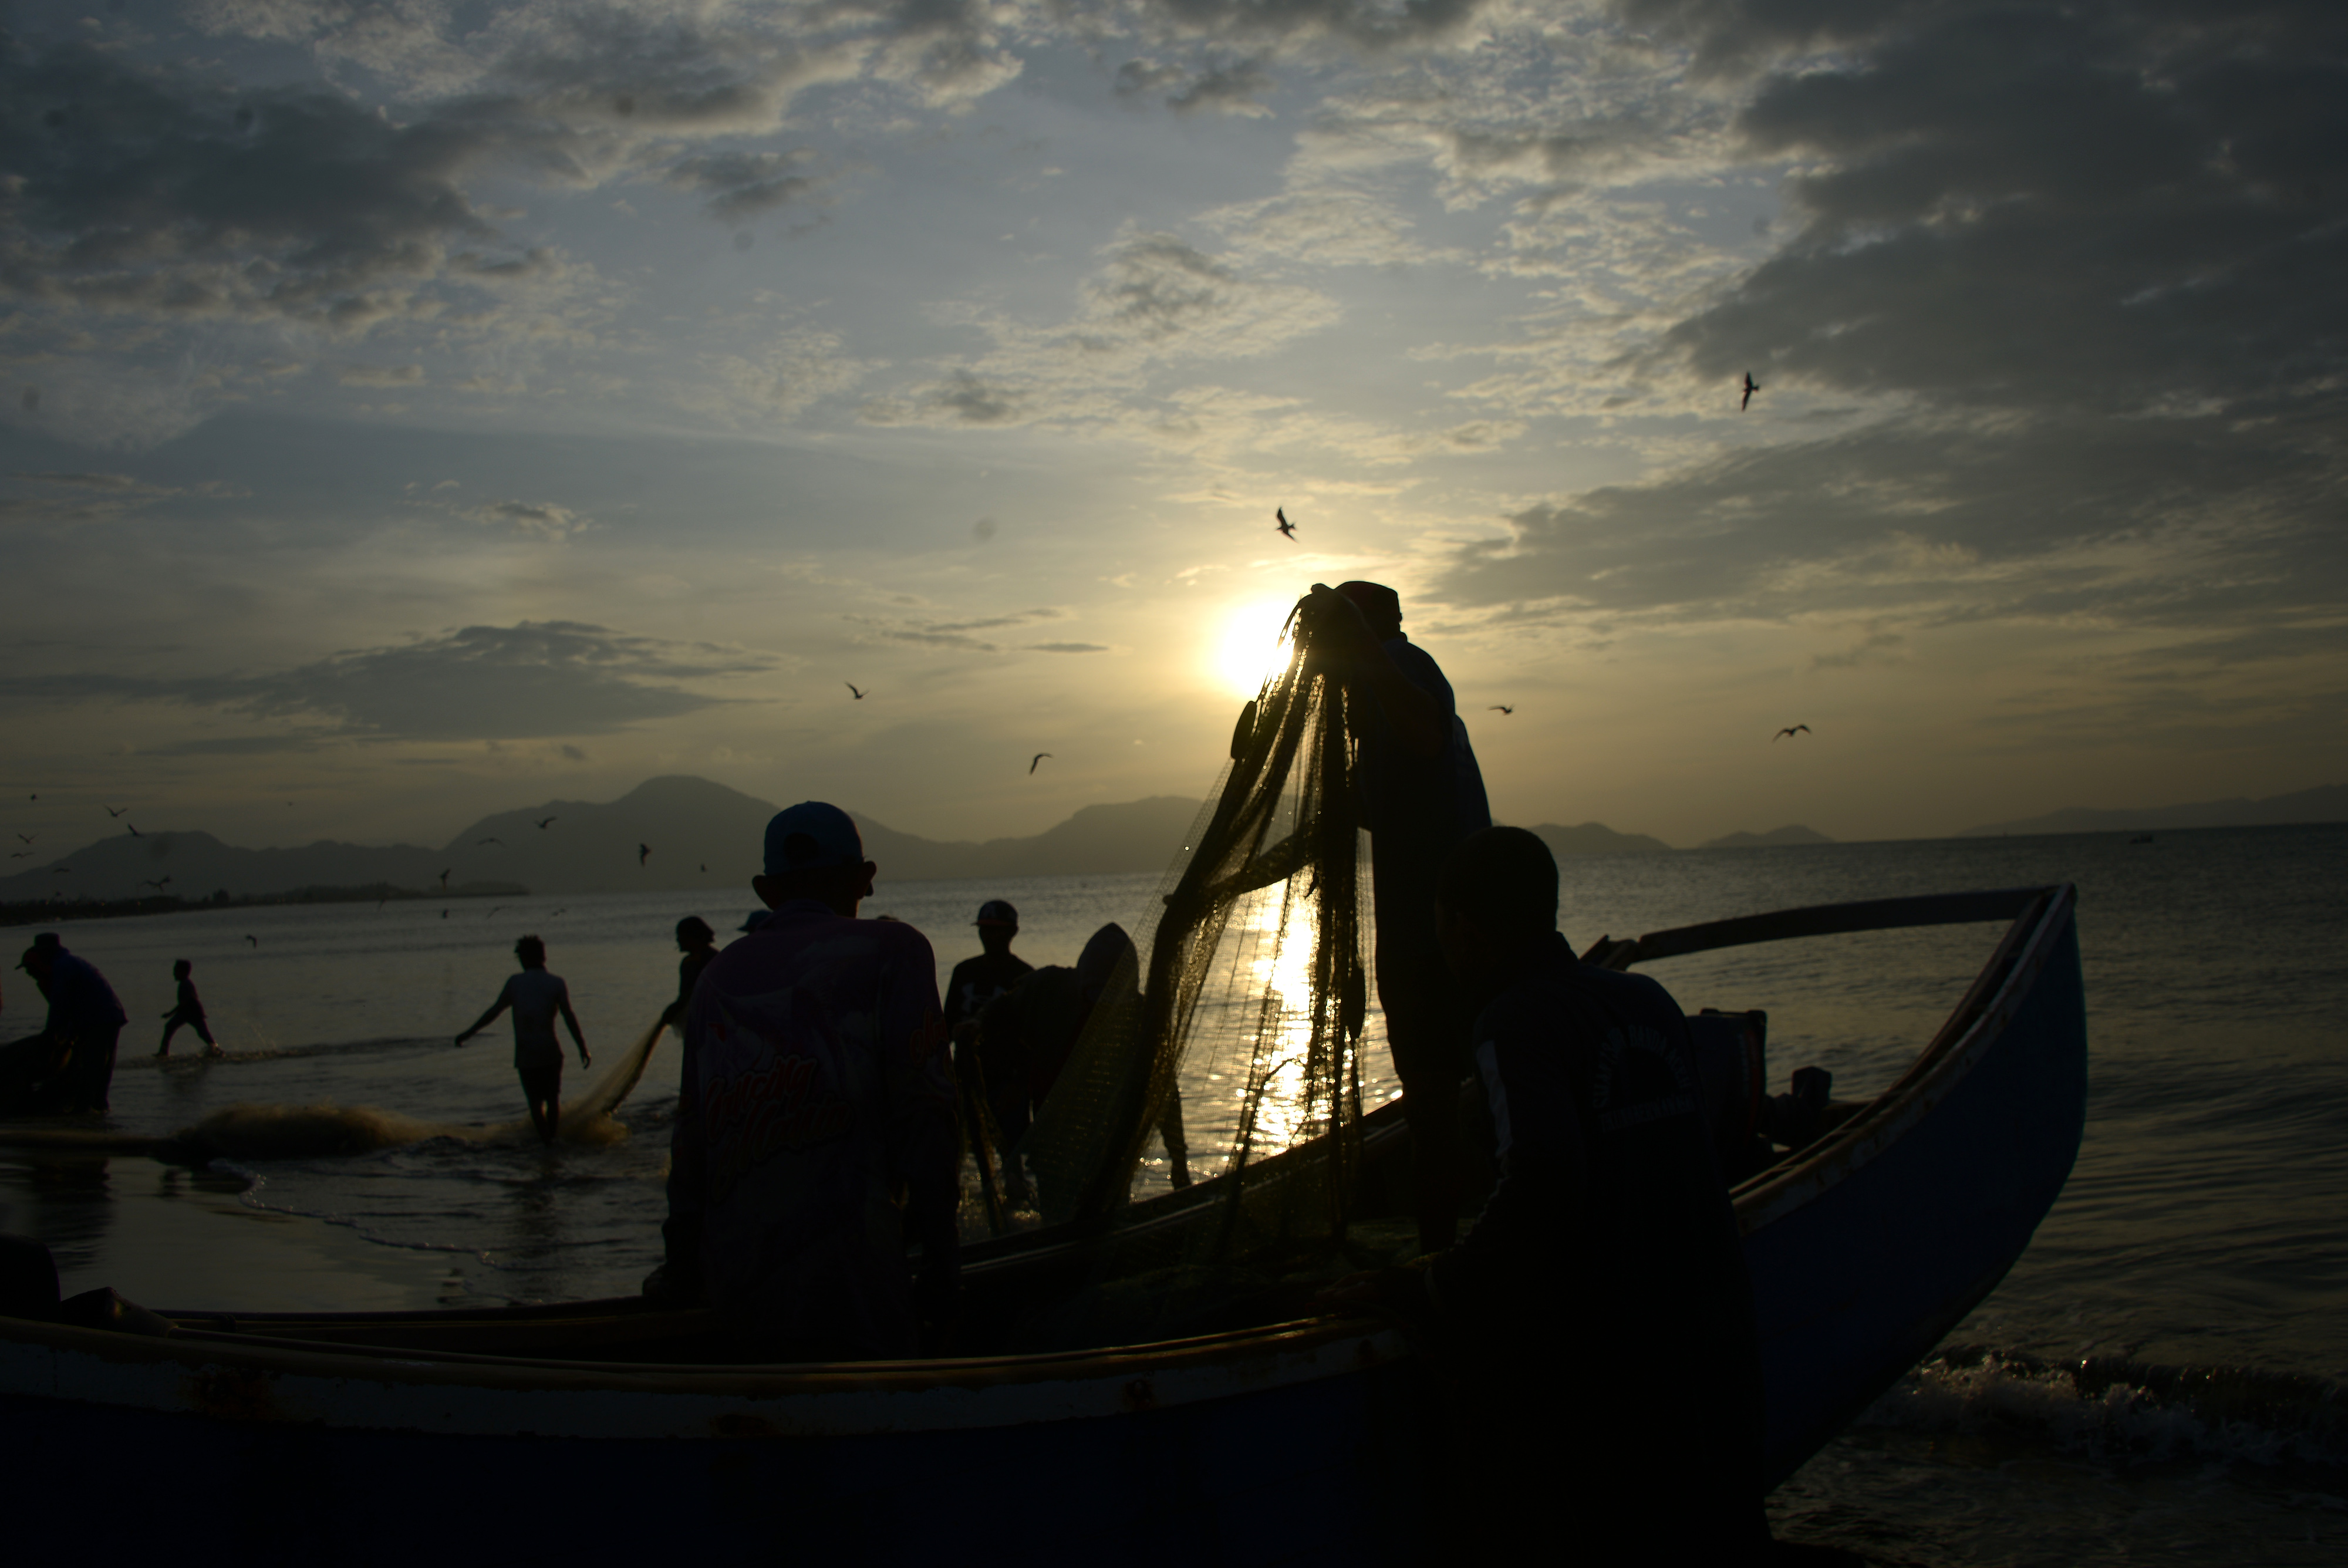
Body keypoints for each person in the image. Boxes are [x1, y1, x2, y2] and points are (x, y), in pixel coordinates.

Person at [1330, 827, 1769, 1560]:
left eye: (1439, 925)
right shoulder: (1647, 999)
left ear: (1463, 928)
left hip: (1617, 1379)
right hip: (1714, 1345)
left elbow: (1543, 1178)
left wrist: (1431, 1285)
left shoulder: (1511, 1021)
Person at [652, 801, 959, 1360]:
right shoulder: (894, 950)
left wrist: (679, 1266)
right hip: (855, 1278)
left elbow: (690, 1140)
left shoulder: (716, 977)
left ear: (765, 890)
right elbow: (927, 1114)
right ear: (866, 878)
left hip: (739, 1282)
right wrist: (943, 1261)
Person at [1300, 579, 1491, 1250]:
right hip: (1426, 936)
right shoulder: (1374, 710)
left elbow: (1425, 733)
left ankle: (1449, 1265)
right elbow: (1381, 810)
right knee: (1443, 1110)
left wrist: (1363, 651)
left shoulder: (1402, 668)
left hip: (1446, 940)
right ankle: (1452, 1256)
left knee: (1439, 1117)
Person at [454, 935, 590, 1144]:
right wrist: (582, 1048)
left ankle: (546, 1143)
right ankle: (552, 1141)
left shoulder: (516, 983)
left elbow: (494, 1012)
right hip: (550, 1051)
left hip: (527, 1054)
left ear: (524, 958)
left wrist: (469, 1033)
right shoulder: (556, 983)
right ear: (544, 957)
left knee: (535, 1103)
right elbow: (569, 1018)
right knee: (553, 1099)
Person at [6, 933, 127, 1113]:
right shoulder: (69, 963)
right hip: (110, 1015)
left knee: (92, 1066)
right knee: (102, 1065)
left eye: (30, 968)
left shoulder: (62, 967)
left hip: (99, 1018)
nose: (29, 973)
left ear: (44, 954)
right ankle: (98, 1107)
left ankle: (84, 1110)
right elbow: (68, 1007)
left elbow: (60, 1006)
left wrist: (51, 1033)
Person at [658, 916, 720, 1034]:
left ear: (693, 937)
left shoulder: (705, 960)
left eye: (681, 935)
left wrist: (676, 1008)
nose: (678, 940)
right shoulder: (697, 960)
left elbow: (693, 992)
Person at [156, 958, 222, 1058]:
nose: (174, 974)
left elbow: (184, 1003)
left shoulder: (186, 984)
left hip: (193, 1014)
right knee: (170, 1027)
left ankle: (217, 1051)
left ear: (184, 972)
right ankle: (163, 1052)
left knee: (203, 1034)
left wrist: (170, 1013)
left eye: (176, 971)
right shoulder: (184, 983)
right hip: (186, 1013)